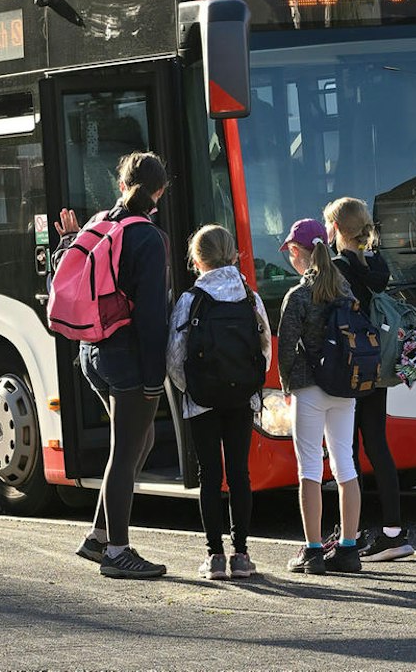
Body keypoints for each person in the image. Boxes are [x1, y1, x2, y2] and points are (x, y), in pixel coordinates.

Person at [66, 152, 171, 580]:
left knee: (137, 441)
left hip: (92, 350)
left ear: (121, 184)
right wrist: (154, 378)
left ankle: (98, 537)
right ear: (159, 191)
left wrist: (65, 241)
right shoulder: (148, 238)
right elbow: (150, 317)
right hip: (127, 358)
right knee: (127, 451)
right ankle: (117, 551)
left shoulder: (98, 224)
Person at [165, 224, 270, 580]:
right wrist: (247, 385)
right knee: (240, 473)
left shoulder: (190, 300)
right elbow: (264, 349)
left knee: (210, 475)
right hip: (242, 398)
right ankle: (242, 554)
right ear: (232, 254)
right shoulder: (249, 296)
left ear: (197, 258)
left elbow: (175, 358)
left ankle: (215, 556)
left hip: (202, 401)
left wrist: (193, 390)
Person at [326, 196, 414, 562]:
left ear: (335, 229)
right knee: (377, 444)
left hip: (350, 365)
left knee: (344, 450)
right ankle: (393, 533)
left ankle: (353, 531)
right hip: (377, 363)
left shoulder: (336, 267)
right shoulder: (378, 264)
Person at [276, 217, 364, 575]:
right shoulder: (345, 290)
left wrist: (286, 386)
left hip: (309, 389)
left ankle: (312, 550)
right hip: (345, 387)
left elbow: (285, 349)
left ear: (297, 253)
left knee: (309, 468)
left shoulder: (297, 296)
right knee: (346, 464)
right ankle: (348, 548)